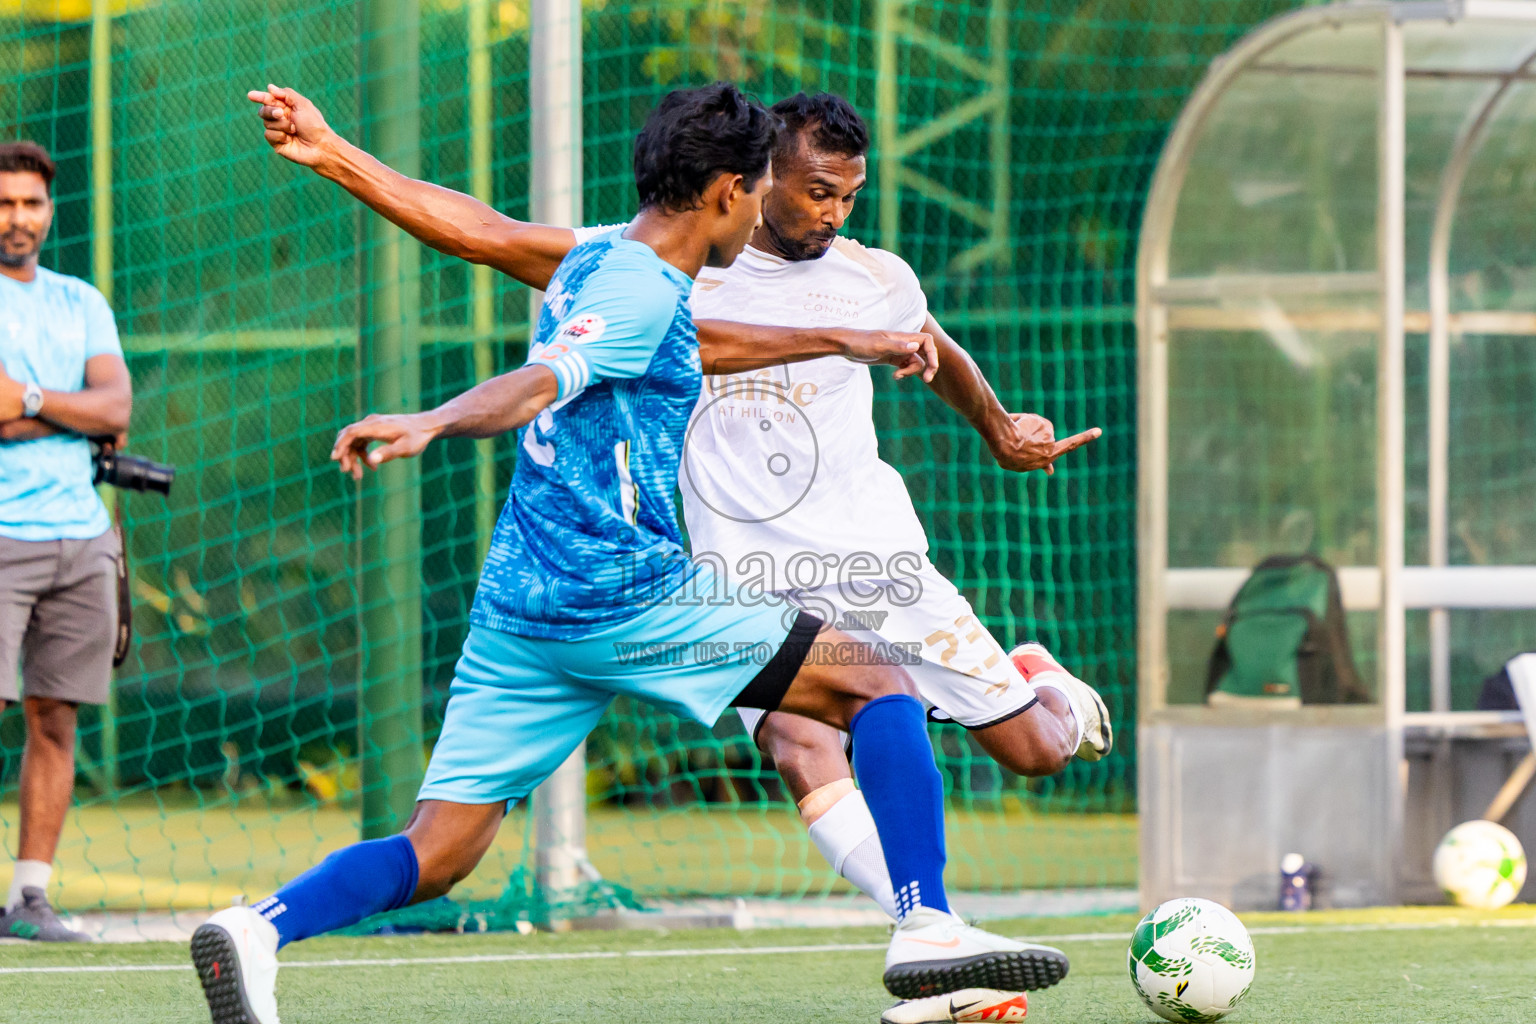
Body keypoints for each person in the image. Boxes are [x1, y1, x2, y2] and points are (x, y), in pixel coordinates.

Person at [197, 83, 1068, 1024]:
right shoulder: (637, 289)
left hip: (522, 605)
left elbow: (479, 230)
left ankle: (257, 928)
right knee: (877, 682)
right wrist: (435, 419)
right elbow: (545, 377)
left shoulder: (597, 258)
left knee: (438, 853)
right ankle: (929, 925)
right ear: (732, 191)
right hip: (624, 592)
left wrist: (333, 152)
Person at [0, 140, 134, 943]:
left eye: (31, 204)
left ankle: (29, 899)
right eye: (5, 203)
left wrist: (32, 399)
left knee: (56, 719)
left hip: (83, 538)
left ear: (51, 210)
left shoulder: (81, 301)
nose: (18, 219)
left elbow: (115, 408)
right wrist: (67, 407)